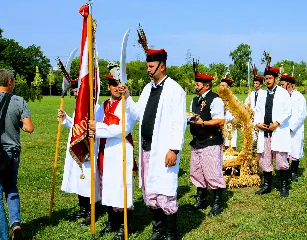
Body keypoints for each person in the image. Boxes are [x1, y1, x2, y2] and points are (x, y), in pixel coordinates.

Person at [123, 48, 186, 240]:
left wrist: (174, 149)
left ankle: (170, 233)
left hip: (165, 149)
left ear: (162, 66)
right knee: (150, 189)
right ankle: (158, 229)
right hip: (147, 148)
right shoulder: (147, 88)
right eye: (147, 66)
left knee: (165, 189)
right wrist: (126, 97)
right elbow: (137, 113)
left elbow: (179, 122)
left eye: (151, 66)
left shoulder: (175, 90)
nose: (148, 70)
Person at [88, 74, 138, 240]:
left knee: (121, 187)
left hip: (121, 150)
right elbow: (95, 125)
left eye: (118, 84)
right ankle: (112, 220)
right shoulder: (103, 106)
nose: (116, 88)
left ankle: (125, 225)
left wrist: (98, 127)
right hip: (105, 150)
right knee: (107, 186)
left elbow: (122, 129)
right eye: (113, 85)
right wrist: (93, 128)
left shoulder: (128, 105)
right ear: (108, 87)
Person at [57, 79, 100, 226]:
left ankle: (90, 210)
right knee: (78, 178)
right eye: (74, 90)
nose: (76, 92)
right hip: (77, 148)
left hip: (88, 148)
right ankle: (82, 209)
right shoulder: (79, 107)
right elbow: (75, 126)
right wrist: (65, 118)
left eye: (78, 90)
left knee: (88, 180)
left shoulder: (94, 107)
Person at [186, 67, 226, 216]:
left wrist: (203, 123)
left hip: (211, 140)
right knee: (197, 171)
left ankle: (217, 203)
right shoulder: (195, 100)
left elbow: (220, 121)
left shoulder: (215, 99)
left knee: (212, 172)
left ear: (206, 86)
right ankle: (201, 200)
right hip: (197, 141)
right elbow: (193, 116)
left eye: (198, 84)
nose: (195, 86)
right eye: (196, 83)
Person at [0, 69, 34, 240]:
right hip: (12, 152)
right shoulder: (19, 101)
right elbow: (29, 128)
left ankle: (3, 236)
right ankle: (16, 224)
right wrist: (17, 122)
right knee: (11, 187)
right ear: (10, 82)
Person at [254, 66, 292, 198]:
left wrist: (276, 123)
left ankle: (284, 186)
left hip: (278, 130)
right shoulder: (262, 94)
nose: (268, 81)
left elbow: (288, 111)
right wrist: (258, 123)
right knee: (265, 158)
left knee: (281, 159)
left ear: (275, 78)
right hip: (264, 131)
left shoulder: (283, 93)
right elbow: (257, 111)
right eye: (266, 78)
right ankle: (267, 185)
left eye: (270, 78)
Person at [280, 74, 307, 182]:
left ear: (289, 85)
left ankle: (294, 172)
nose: (280, 87)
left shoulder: (299, 97)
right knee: (284, 150)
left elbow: (302, 114)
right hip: (283, 128)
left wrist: (292, 127)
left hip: (296, 130)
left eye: (282, 85)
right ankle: (285, 171)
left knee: (295, 150)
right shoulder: (281, 97)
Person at [220, 77, 237, 151]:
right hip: (220, 126)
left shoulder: (234, 99)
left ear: (228, 87)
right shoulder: (218, 98)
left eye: (223, 86)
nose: (221, 87)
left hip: (230, 125)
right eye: (221, 85)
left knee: (230, 147)